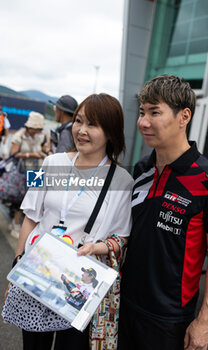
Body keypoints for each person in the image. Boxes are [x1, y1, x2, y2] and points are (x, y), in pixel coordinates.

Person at [3, 93, 133, 350]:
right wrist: (18, 265)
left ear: (111, 132)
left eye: (93, 125)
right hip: (37, 272)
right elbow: (30, 216)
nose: (81, 131)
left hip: (77, 285)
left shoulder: (122, 180)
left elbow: (122, 236)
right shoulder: (49, 163)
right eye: (79, 121)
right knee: (33, 345)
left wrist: (96, 248)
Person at [118, 75, 208, 350]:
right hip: (125, 303)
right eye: (142, 112)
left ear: (184, 116)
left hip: (168, 319)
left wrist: (205, 321)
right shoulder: (141, 169)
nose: (144, 121)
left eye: (155, 112)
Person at [9, 111, 47, 239]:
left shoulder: (40, 137)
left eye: (38, 129)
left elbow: (43, 148)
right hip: (22, 171)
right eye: (35, 128)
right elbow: (13, 154)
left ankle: (23, 226)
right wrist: (30, 155)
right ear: (29, 127)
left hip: (36, 172)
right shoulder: (19, 136)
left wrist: (43, 153)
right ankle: (16, 225)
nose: (36, 131)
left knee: (34, 201)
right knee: (21, 200)